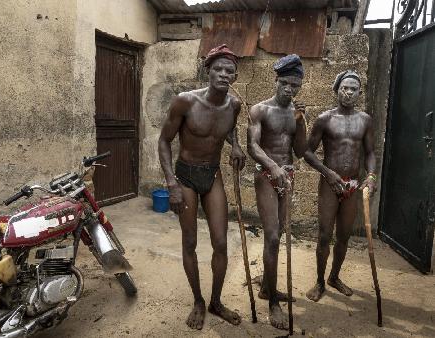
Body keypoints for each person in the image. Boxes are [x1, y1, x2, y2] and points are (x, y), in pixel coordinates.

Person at [158, 45, 246, 330]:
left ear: (235, 75)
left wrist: (236, 146)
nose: (223, 74)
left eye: (229, 70)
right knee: (190, 242)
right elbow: (163, 141)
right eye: (218, 69)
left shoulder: (234, 105)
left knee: (221, 242)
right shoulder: (185, 102)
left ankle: (215, 301)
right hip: (184, 177)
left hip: (213, 175)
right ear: (207, 71)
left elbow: (229, 127)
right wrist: (171, 182)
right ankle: (197, 300)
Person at [304, 70, 376, 302]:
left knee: (344, 236)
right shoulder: (325, 119)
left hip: (353, 185)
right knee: (325, 235)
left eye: (353, 89)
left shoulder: (364, 120)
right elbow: (307, 152)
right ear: (337, 91)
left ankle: (334, 277)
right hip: (329, 184)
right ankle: (319, 281)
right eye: (344, 88)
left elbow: (370, 152)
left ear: (359, 93)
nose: (348, 92)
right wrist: (328, 173)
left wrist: (372, 176)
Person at [247, 55, 307, 329]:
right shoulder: (260, 110)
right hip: (266, 176)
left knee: (280, 234)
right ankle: (273, 303)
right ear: (276, 80)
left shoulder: (296, 113)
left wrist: (303, 122)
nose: (289, 90)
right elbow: (253, 147)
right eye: (284, 83)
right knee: (271, 237)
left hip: (288, 176)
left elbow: (299, 151)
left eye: (294, 86)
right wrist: (272, 166)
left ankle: (266, 288)